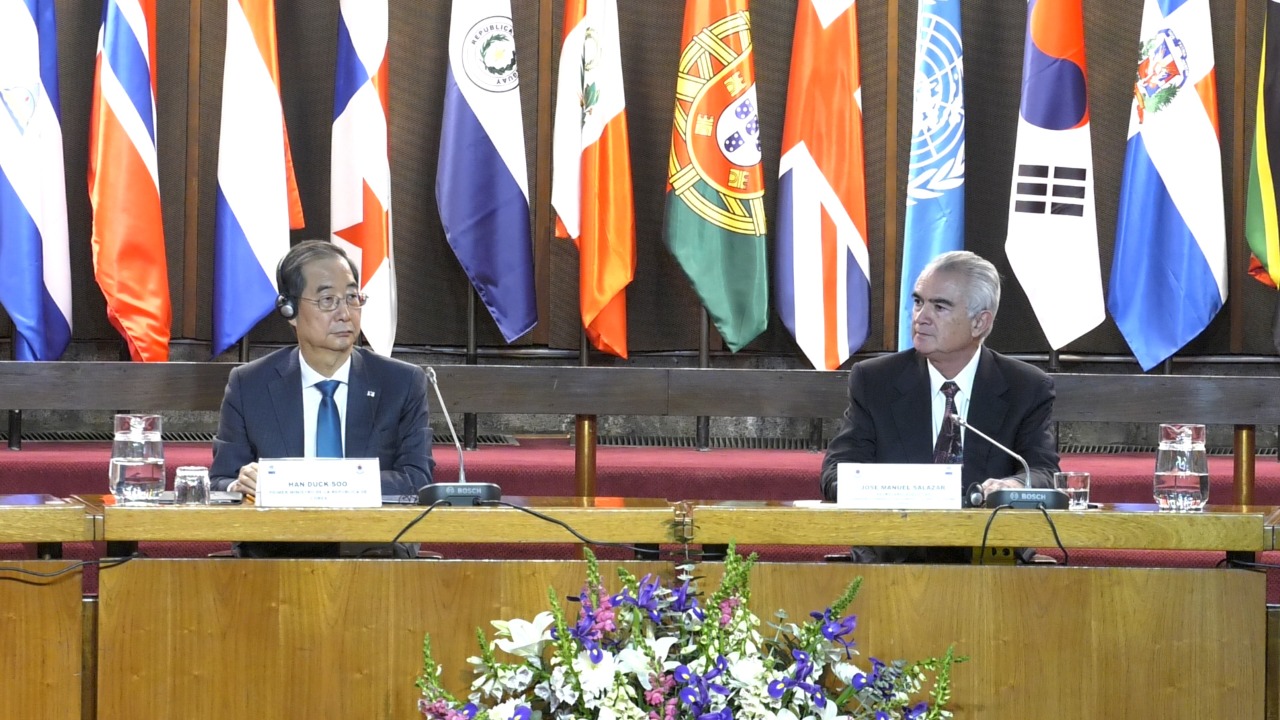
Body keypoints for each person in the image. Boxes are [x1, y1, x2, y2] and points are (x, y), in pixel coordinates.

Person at [820, 250, 1059, 563]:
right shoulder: (875, 380)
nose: (921, 316)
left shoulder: (1025, 387)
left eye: (940, 306)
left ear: (980, 323)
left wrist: (1012, 485)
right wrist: (887, 489)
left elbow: (1043, 472)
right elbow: (835, 472)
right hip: (893, 557)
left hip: (991, 559)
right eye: (919, 302)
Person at [210, 240, 434, 557]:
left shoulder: (401, 383)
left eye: (353, 298)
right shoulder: (250, 384)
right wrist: (240, 485)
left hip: (375, 553)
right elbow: (221, 482)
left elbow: (417, 481)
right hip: (276, 553)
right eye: (328, 300)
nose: (345, 313)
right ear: (289, 310)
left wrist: (307, 484)